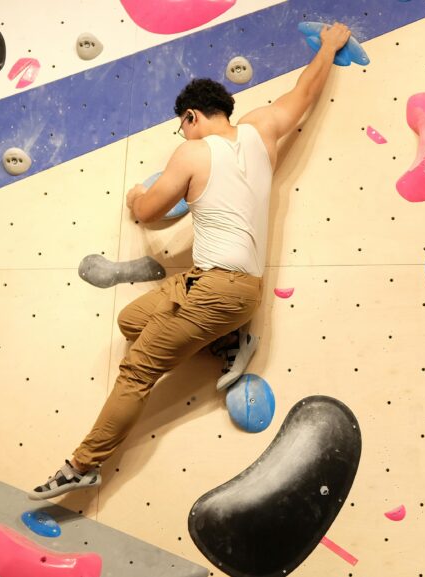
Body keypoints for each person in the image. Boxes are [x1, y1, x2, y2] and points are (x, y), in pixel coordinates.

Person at [31, 22, 352, 500]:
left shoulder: (192, 151)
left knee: (137, 372)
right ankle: (227, 344)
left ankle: (83, 464)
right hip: (215, 286)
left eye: (181, 123)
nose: (181, 131)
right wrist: (329, 46)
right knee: (130, 320)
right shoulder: (262, 128)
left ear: (191, 116)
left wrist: (136, 193)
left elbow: (147, 211)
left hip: (217, 290)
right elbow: (305, 91)